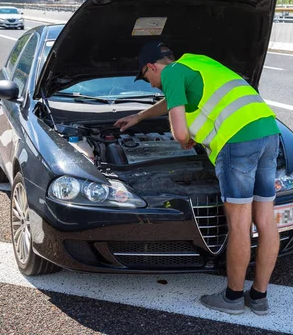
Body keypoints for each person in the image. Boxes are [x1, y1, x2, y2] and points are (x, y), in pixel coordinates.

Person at [114, 41, 281, 315]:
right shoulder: (197, 61)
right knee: (265, 219)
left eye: (147, 78)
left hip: (236, 141)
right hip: (268, 131)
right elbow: (174, 99)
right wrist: (140, 116)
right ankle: (259, 298)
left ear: (151, 67)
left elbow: (180, 134)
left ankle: (233, 298)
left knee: (239, 225)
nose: (152, 85)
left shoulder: (170, 74)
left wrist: (187, 138)